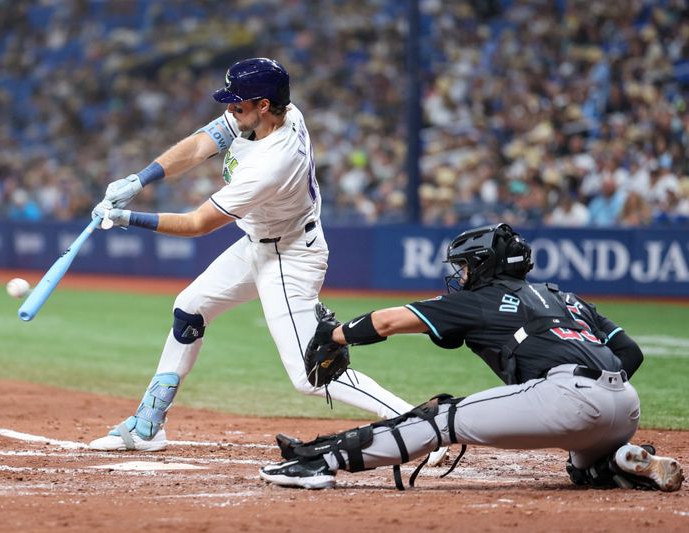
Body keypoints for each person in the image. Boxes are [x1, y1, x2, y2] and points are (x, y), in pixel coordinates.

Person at [87, 57, 447, 464]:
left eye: (238, 104)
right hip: (257, 244)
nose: (229, 111)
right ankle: (147, 425)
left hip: (290, 257)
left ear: (262, 105)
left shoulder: (272, 163)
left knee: (311, 375)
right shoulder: (276, 112)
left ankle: (417, 426)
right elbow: (203, 142)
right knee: (190, 308)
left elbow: (198, 223)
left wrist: (127, 218)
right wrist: (141, 179)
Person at [259, 223, 684, 492]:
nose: (460, 275)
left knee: (437, 417)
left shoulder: (482, 298)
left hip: (569, 398)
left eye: (465, 267)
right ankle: (616, 460)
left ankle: (321, 462)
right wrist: (599, 394)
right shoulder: (564, 296)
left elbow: (389, 321)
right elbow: (630, 352)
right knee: (584, 471)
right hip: (624, 406)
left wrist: (334, 333)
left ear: (484, 266)